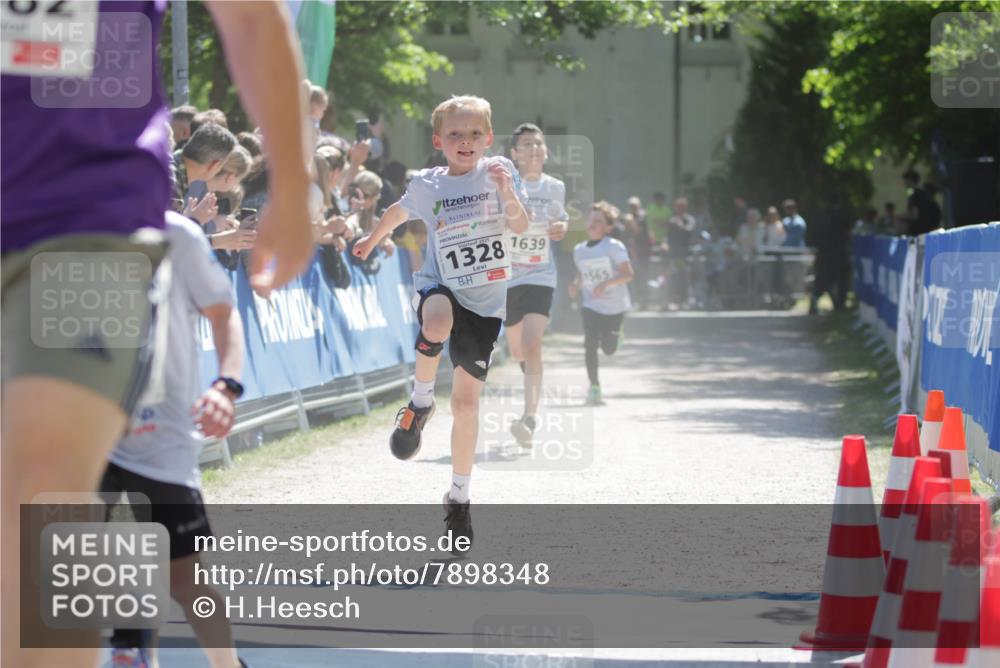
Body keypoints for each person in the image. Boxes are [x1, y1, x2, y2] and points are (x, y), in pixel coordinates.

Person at [1, 2, 313, 665]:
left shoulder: (185, 237)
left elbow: (252, 17)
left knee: (45, 499)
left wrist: (293, 180)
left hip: (80, 214)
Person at [352, 95, 530, 549]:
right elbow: (398, 211)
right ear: (438, 141)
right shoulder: (428, 184)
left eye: (474, 134)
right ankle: (420, 402)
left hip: (485, 303)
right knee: (434, 322)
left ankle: (459, 498)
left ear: (488, 138)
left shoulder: (500, 173)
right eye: (455, 134)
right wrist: (372, 239)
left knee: (468, 406)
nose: (465, 142)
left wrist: (506, 191)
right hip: (441, 283)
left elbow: (522, 225)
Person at [102, 213, 246, 668]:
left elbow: (223, 312)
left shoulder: (178, 232)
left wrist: (226, 384)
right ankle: (132, 647)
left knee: (183, 577)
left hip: (161, 435)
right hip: (88, 430)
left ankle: (226, 664)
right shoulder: (56, 220)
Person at [503, 123, 569, 446]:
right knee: (517, 349)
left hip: (541, 275)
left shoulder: (555, 187)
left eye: (538, 144)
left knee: (532, 344)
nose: (533, 149)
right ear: (514, 154)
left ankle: (529, 418)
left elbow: (561, 219)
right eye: (526, 144)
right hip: (507, 279)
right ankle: (530, 378)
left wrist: (561, 227)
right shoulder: (504, 185)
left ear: (546, 151)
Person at [569, 202, 635, 406]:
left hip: (615, 307)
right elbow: (583, 272)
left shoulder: (613, 247)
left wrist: (606, 283)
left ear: (608, 227)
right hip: (591, 304)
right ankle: (594, 387)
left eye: (598, 221)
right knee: (590, 344)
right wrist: (576, 285)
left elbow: (628, 274)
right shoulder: (579, 250)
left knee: (609, 349)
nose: (592, 224)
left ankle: (617, 334)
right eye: (590, 220)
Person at [665, 197, 696, 308]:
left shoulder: (689, 219)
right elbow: (668, 236)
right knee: (674, 277)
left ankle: (685, 300)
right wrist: (665, 244)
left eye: (682, 207)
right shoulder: (672, 220)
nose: (680, 209)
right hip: (674, 255)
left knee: (685, 277)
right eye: (678, 207)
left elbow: (689, 230)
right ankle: (675, 300)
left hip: (685, 254)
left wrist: (680, 225)